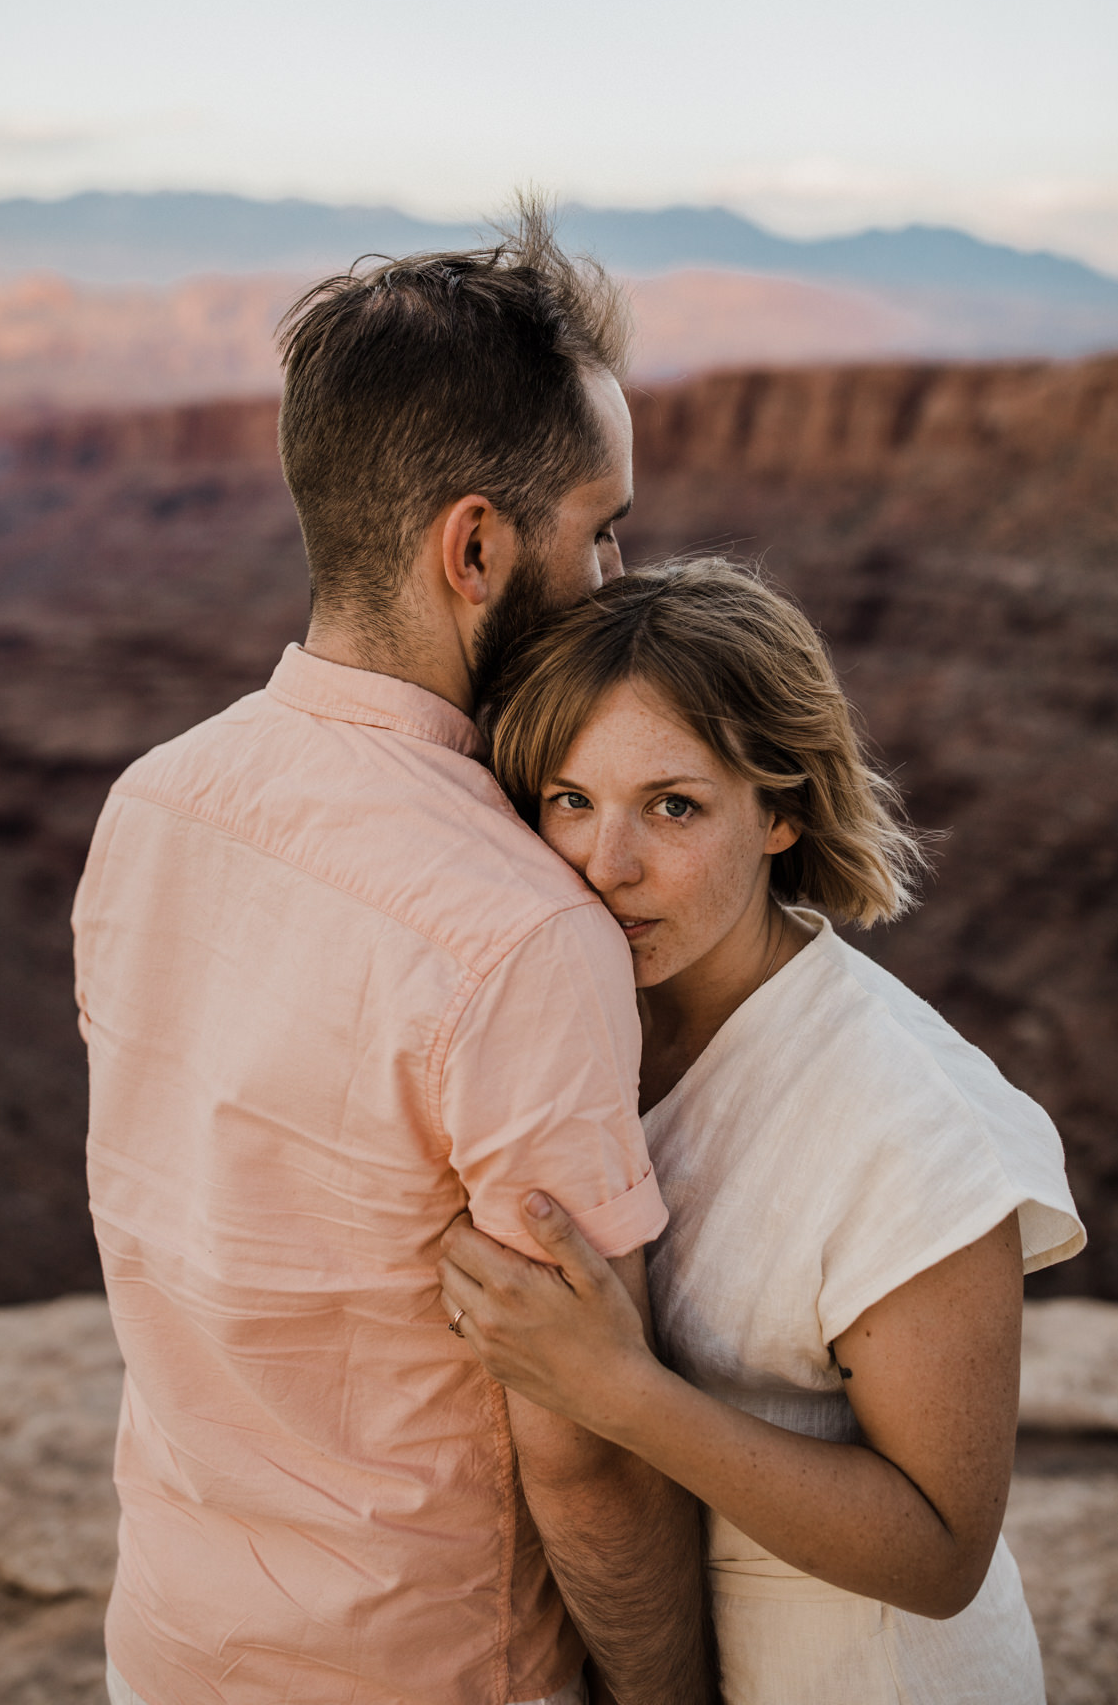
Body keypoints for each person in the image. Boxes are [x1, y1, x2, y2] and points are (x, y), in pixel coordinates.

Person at [72, 211, 713, 1705]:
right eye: (600, 528)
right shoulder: (523, 934)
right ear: (475, 546)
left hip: (168, 1643)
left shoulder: (152, 799)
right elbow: (584, 1448)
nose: (621, 577)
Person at [438, 557, 1086, 1705]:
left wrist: (619, 1392)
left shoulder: (905, 1119)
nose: (605, 863)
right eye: (570, 798)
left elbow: (940, 1553)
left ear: (781, 809)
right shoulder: (584, 1028)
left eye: (673, 804)